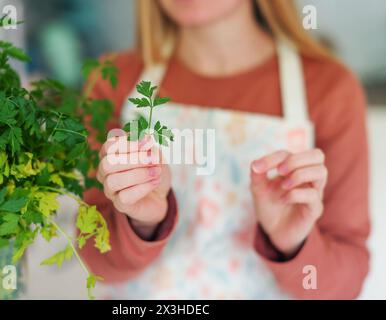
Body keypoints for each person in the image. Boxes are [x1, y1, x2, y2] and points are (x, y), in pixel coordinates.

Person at [80, 0, 370, 299]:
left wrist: (291, 243)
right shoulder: (112, 79)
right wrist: (142, 222)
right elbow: (97, 263)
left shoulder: (329, 89)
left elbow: (343, 288)